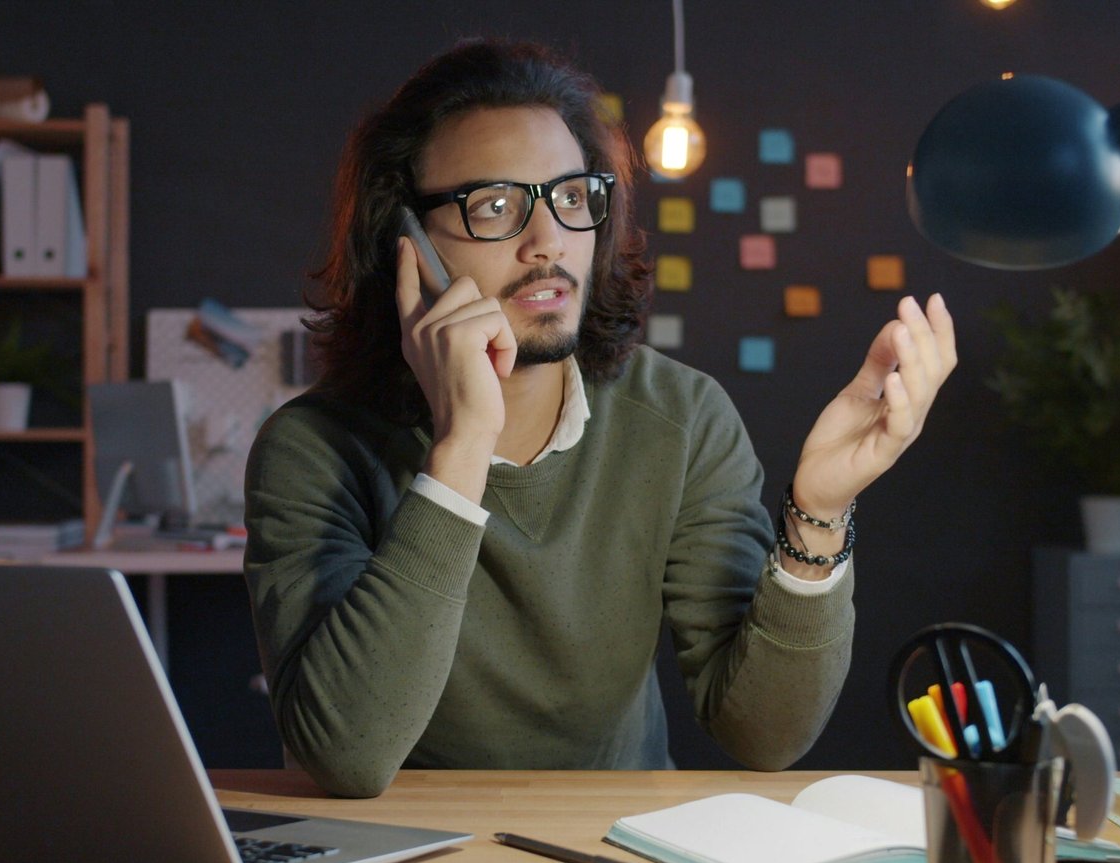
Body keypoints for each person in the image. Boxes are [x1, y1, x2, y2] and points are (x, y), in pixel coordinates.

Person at [244, 39, 956, 799]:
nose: (548, 240)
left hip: (614, 849)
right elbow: (346, 756)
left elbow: (764, 736)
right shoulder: (312, 450)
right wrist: (460, 451)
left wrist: (819, 512)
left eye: (571, 197)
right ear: (405, 245)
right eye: (494, 205)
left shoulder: (681, 418)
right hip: (405, 857)